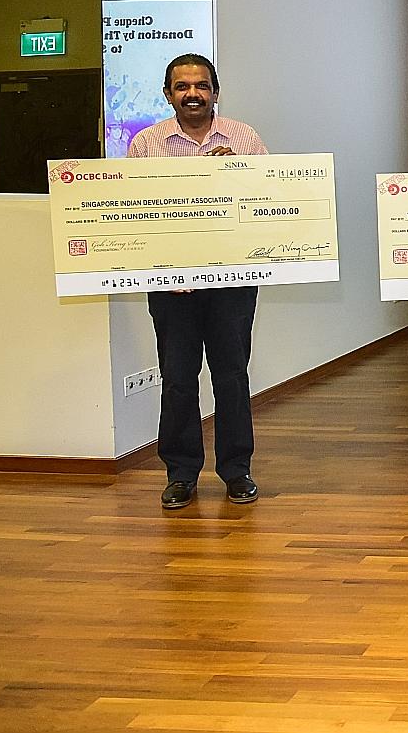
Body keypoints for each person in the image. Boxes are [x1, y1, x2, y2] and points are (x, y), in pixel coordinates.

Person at [128, 53, 268, 511]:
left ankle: (237, 470)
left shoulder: (244, 138)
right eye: (183, 86)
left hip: (231, 283)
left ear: (215, 90)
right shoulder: (146, 145)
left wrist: (237, 175)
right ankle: (181, 474)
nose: (193, 94)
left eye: (202, 85)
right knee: (178, 379)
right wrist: (168, 269)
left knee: (231, 376)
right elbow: (134, 215)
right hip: (172, 288)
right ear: (168, 94)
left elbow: (268, 205)